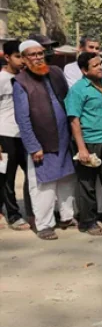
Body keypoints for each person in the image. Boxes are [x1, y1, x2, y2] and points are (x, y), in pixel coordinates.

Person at [13, 40, 76, 240]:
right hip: (42, 142)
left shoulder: (55, 72)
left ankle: (67, 217)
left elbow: (68, 101)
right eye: (32, 54)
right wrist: (33, 146)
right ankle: (44, 225)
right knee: (43, 184)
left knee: (66, 179)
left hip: (64, 137)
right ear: (23, 58)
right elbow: (22, 119)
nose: (38, 57)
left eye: (40, 53)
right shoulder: (20, 82)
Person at [66, 51, 102, 236]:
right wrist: (81, 148)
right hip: (88, 142)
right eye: (95, 66)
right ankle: (88, 222)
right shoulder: (78, 90)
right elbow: (74, 120)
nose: (100, 68)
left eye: (100, 64)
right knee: (87, 185)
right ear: (84, 70)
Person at [0, 40, 31, 231]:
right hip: (5, 133)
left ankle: (35, 212)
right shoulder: (1, 79)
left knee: (33, 175)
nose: (21, 61)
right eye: (17, 57)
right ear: (7, 57)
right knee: (7, 177)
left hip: (25, 134)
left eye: (23, 56)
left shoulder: (26, 78)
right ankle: (13, 215)